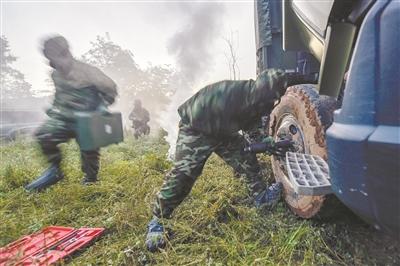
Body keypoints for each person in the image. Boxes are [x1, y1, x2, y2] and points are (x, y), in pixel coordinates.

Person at [145, 69, 317, 251]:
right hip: (197, 128)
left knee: (247, 158)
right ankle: (158, 220)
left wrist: (267, 143)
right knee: (185, 174)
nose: (271, 103)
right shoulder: (231, 93)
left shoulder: (260, 98)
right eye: (270, 98)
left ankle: (260, 197)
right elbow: (216, 115)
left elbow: (252, 128)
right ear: (262, 91)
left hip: (224, 131)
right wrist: (252, 142)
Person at [25, 35, 117, 192]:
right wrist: (54, 108)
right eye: (51, 60)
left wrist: (101, 108)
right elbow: (59, 94)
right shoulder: (56, 74)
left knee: (89, 150)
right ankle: (55, 171)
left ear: (66, 53)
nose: (55, 64)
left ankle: (90, 180)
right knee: (44, 135)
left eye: (57, 58)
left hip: (87, 119)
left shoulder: (88, 71)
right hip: (64, 118)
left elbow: (110, 90)